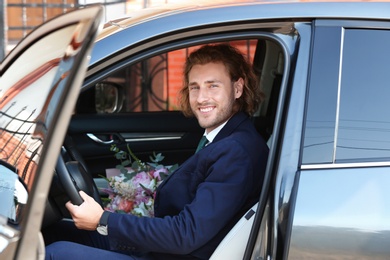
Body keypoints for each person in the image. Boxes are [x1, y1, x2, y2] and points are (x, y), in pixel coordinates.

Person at [44, 44, 269, 260]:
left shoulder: (236, 152)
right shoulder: (225, 138)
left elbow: (185, 234)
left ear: (237, 88)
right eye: (195, 87)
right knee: (57, 232)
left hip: (177, 254)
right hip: (164, 251)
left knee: (55, 253)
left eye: (213, 86)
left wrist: (104, 220)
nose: (201, 98)